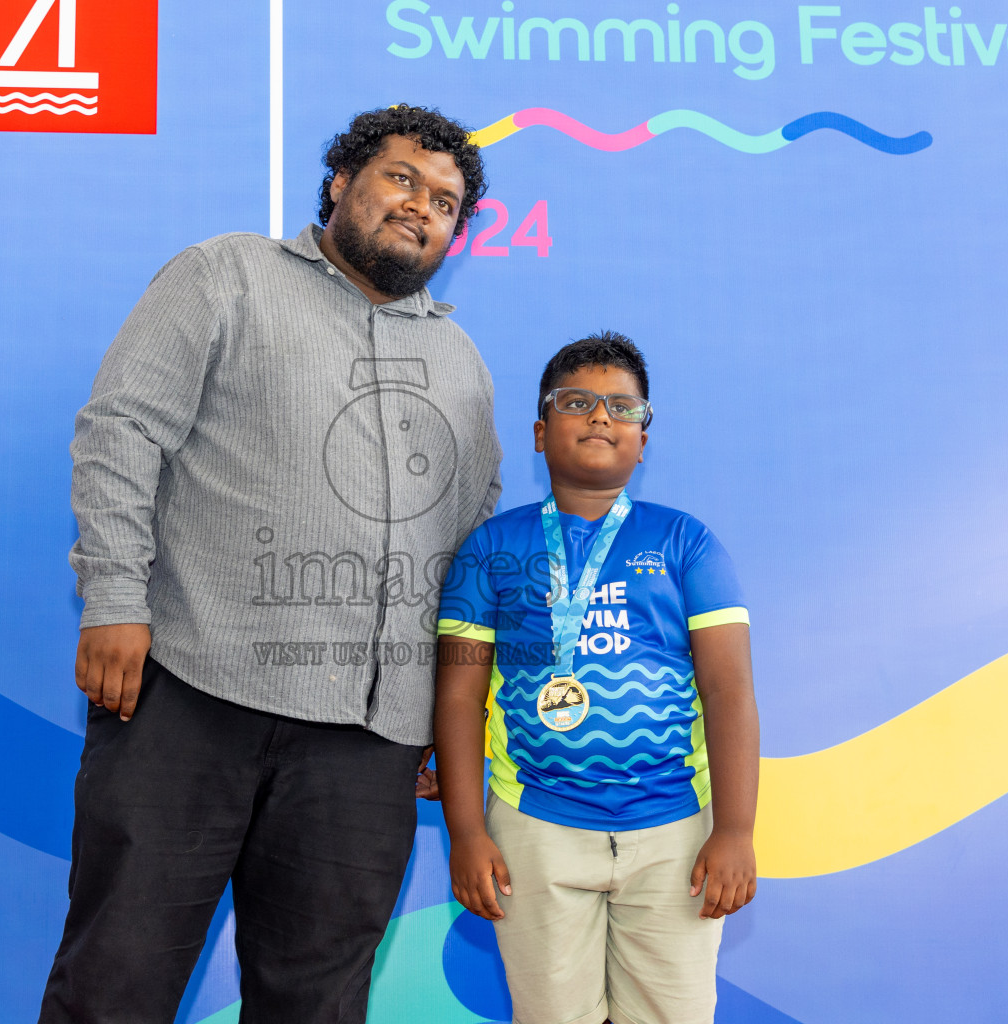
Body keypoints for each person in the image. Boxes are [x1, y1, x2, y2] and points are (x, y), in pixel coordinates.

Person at [38, 105, 501, 1024]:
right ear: (340, 183)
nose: (421, 209)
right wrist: (114, 600)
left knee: (317, 1005)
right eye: (402, 179)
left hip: (367, 743)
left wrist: (440, 713)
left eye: (445, 203)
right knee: (116, 983)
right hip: (187, 697)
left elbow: (465, 543)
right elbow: (122, 433)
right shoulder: (227, 276)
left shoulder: (461, 362)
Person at [433, 332, 759, 1024]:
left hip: (673, 830)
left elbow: (728, 692)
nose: (601, 417)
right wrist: (466, 830)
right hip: (533, 828)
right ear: (540, 430)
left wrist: (734, 831)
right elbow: (459, 696)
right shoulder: (491, 547)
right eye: (576, 402)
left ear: (644, 437)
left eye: (622, 407)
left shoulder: (686, 544)